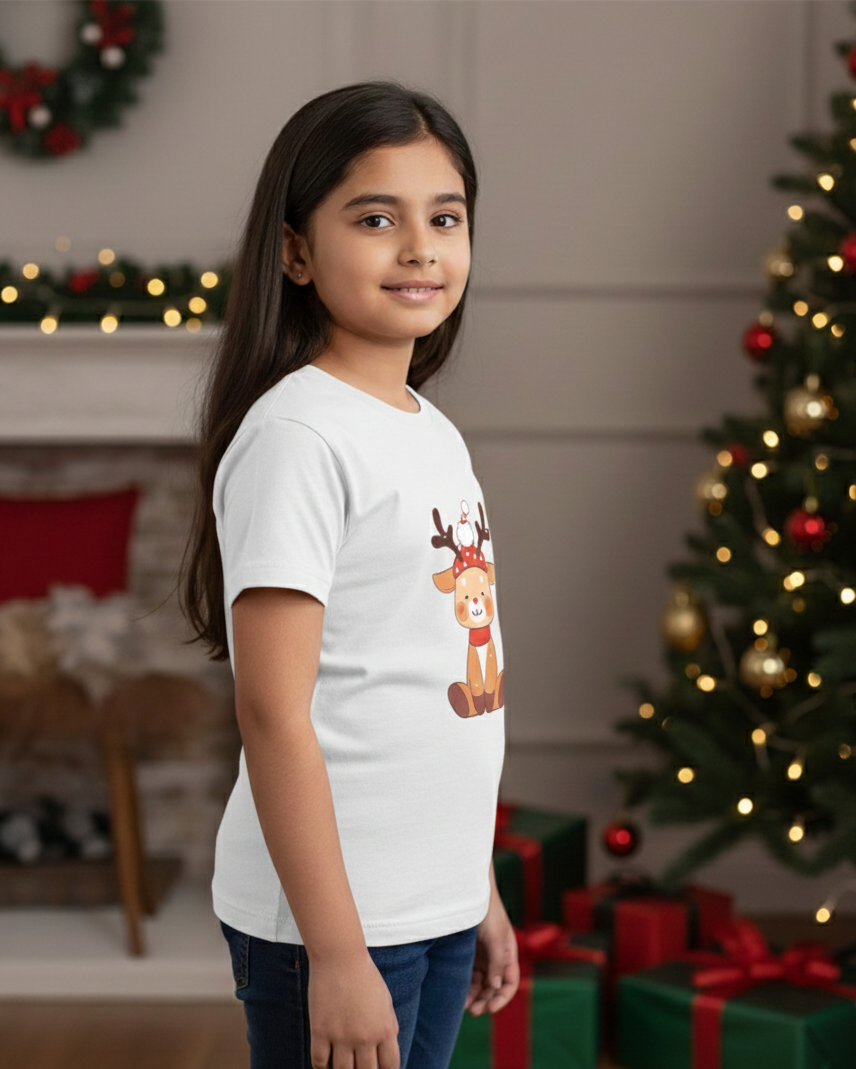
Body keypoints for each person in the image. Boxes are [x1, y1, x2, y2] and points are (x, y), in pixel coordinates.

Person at [181, 80, 519, 1069]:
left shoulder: (429, 429)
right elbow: (273, 714)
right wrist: (334, 953)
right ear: (294, 251)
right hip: (334, 923)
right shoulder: (297, 436)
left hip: (432, 899)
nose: (419, 247)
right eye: (376, 218)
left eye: (443, 217)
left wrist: (477, 886)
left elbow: (429, 686)